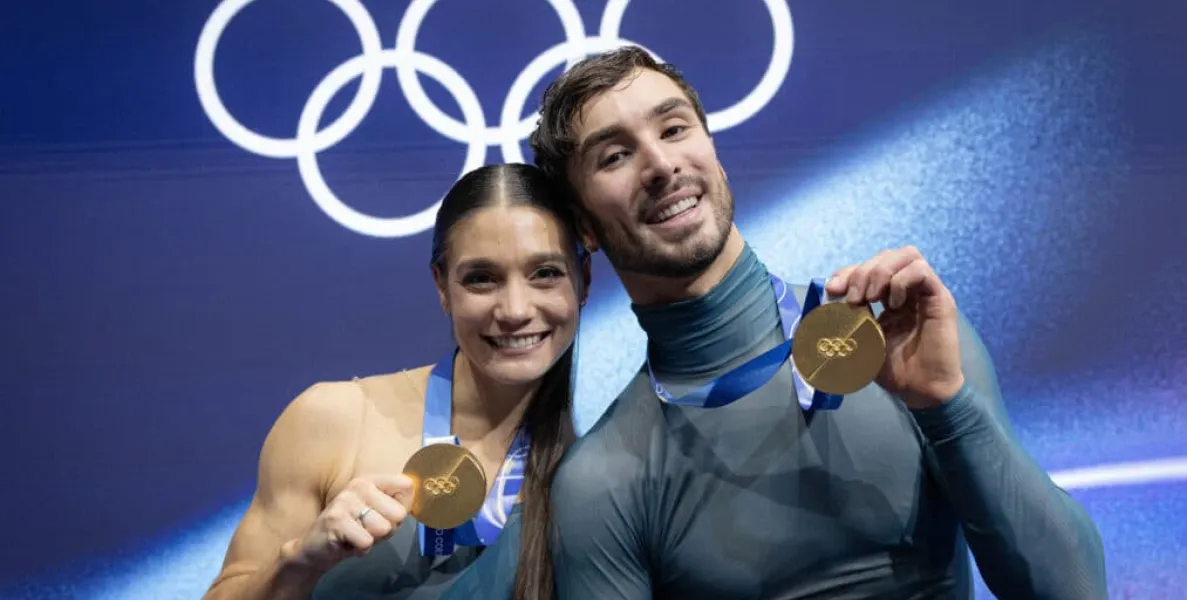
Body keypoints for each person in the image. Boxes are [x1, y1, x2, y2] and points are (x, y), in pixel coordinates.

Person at [443, 46, 1108, 599]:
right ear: (583, 226)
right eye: (614, 156)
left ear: (712, 150)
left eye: (674, 129)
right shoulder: (604, 482)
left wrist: (948, 407)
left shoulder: (898, 336)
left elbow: (1071, 588)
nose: (662, 165)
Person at [201, 163, 590, 600]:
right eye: (481, 279)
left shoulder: (602, 459)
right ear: (442, 287)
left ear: (584, 279)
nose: (515, 309)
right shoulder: (333, 421)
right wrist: (300, 559)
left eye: (545, 273)